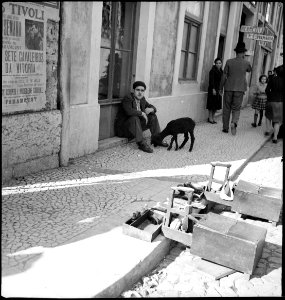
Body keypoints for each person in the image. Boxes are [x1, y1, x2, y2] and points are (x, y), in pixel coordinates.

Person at [114, 81, 168, 153]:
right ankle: (141, 143)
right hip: (125, 129)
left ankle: (157, 139)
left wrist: (151, 109)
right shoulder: (128, 98)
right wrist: (142, 113)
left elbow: (152, 107)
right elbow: (129, 111)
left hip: (137, 127)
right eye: (138, 90)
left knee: (152, 116)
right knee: (134, 117)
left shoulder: (142, 99)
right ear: (134, 91)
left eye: (142, 90)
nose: (140, 92)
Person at [219, 41, 252, 135]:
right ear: (243, 52)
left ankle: (225, 128)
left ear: (236, 52)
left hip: (229, 87)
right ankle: (234, 122)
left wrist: (221, 88)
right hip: (240, 89)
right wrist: (244, 59)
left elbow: (224, 76)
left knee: (226, 108)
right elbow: (249, 70)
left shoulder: (229, 62)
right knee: (236, 108)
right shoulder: (246, 62)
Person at [265, 65, 283, 143]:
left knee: (268, 116)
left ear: (277, 72)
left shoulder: (272, 79)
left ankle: (268, 130)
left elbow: (267, 90)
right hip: (280, 102)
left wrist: (269, 97)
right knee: (277, 121)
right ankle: (275, 138)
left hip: (271, 100)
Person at [206, 57, 223, 124]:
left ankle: (213, 117)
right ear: (215, 64)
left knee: (216, 105)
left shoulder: (221, 71)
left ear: (221, 64)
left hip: (219, 89)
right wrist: (213, 89)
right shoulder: (212, 71)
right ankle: (210, 118)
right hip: (213, 89)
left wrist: (221, 89)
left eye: (219, 63)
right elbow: (211, 81)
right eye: (217, 63)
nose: (218, 64)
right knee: (211, 104)